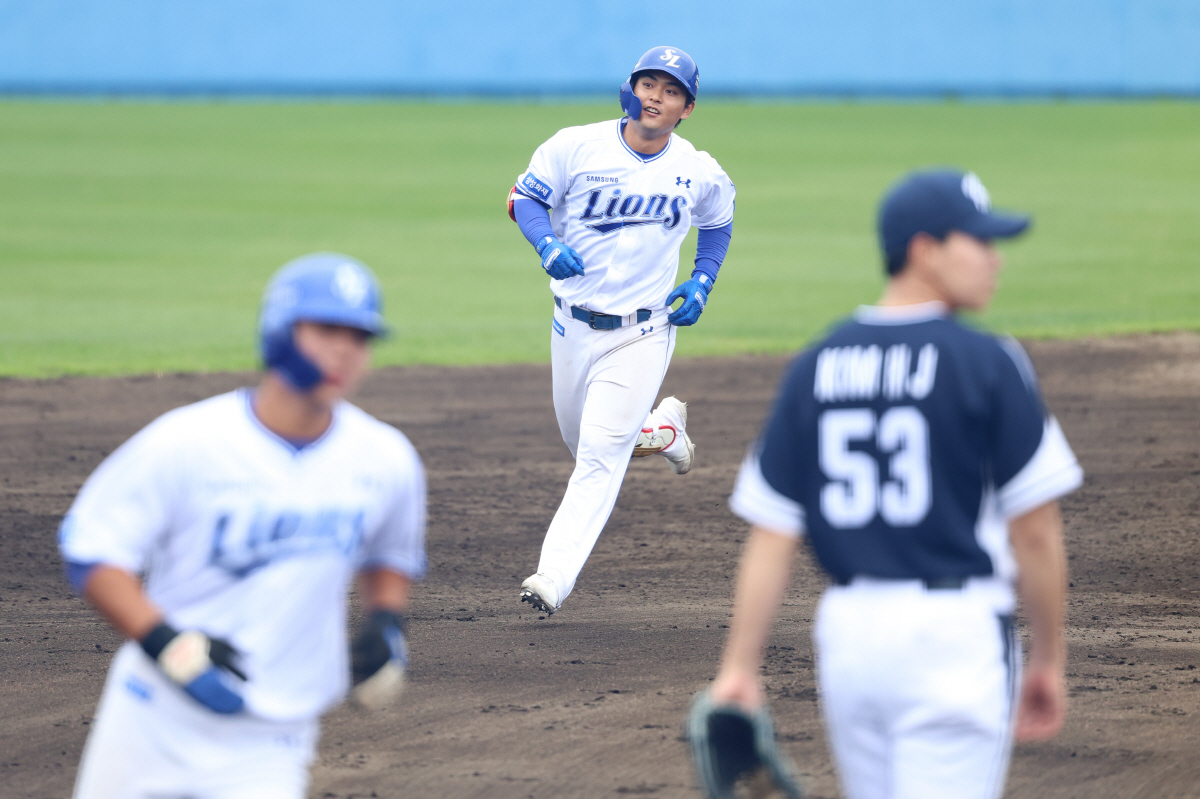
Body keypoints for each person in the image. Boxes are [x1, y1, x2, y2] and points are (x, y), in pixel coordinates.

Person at [706, 169, 1084, 799]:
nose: (996, 261)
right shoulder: (988, 362)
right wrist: (1048, 659)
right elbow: (1036, 533)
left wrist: (739, 667)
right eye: (980, 242)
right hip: (953, 640)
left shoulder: (816, 365)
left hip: (851, 640)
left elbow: (772, 535)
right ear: (924, 250)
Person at [58, 253, 427, 799]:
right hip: (151, 720)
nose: (345, 350)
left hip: (271, 740)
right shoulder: (189, 442)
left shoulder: (385, 459)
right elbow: (92, 549)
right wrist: (168, 643)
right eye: (327, 330)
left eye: (360, 336)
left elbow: (390, 555)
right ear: (280, 331)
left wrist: (385, 622)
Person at [507, 45, 736, 615]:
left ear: (686, 108)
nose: (657, 96)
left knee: (600, 455)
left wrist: (702, 280)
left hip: (643, 331)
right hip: (572, 326)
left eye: (672, 90)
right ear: (630, 90)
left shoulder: (696, 168)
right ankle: (663, 430)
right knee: (582, 441)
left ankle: (552, 577)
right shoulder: (574, 146)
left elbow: (719, 221)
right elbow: (524, 200)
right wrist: (546, 242)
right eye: (649, 84)